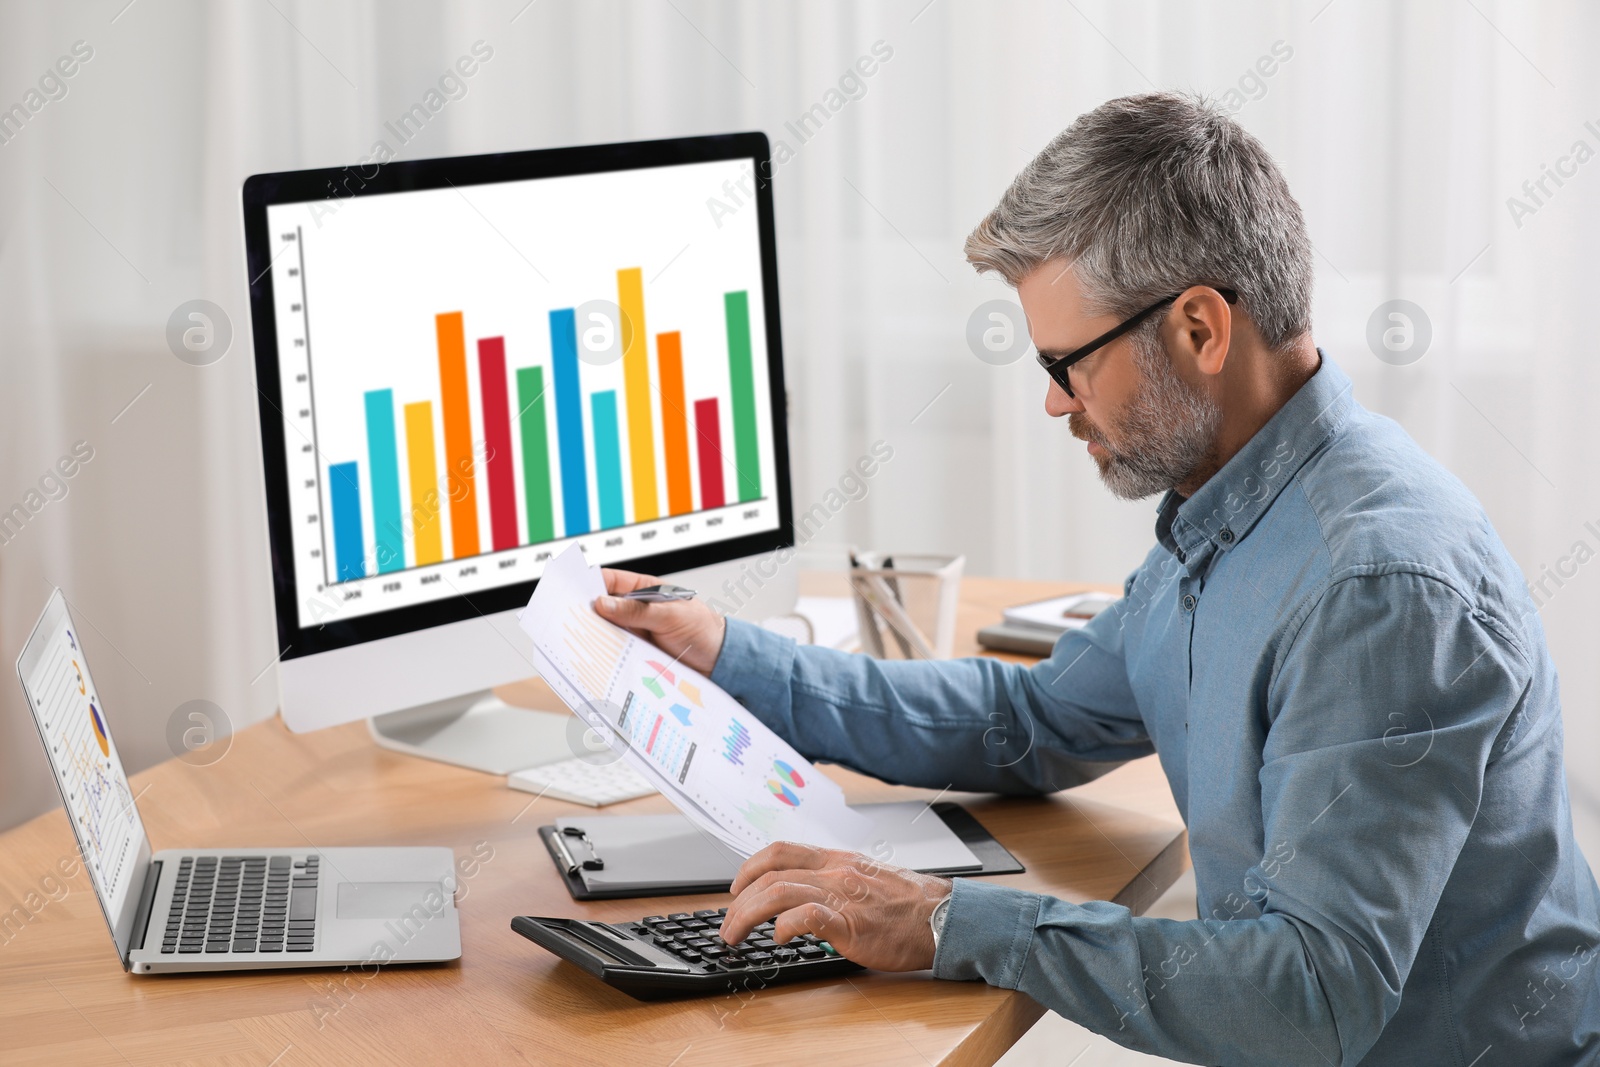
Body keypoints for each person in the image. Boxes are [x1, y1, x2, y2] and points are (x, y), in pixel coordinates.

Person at [595, 92, 1600, 1065]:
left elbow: (1311, 997)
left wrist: (948, 919)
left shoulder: (1373, 589)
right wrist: (724, 650)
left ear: (1200, 328)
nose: (1051, 401)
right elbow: (1032, 718)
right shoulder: (1227, 508)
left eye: (1067, 360)